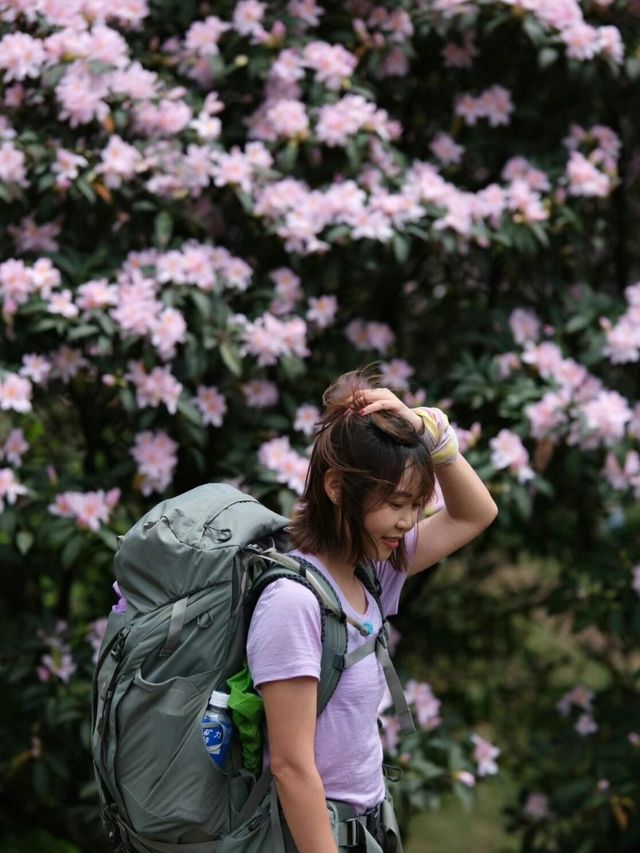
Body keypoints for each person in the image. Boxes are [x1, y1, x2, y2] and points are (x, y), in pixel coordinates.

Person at [246, 369, 498, 852]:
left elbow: (475, 514)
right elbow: (291, 767)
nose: (408, 522)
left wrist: (434, 439)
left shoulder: (373, 572)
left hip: (368, 829)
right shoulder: (294, 602)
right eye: (398, 504)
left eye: (417, 505)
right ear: (337, 488)